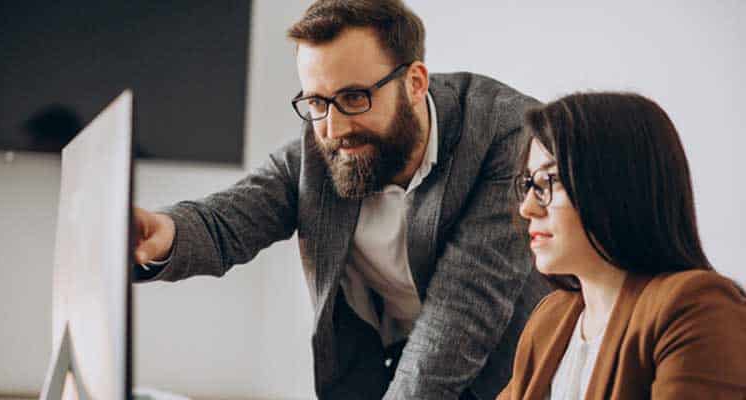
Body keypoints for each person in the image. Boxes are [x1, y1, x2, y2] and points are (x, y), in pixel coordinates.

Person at [133, 0, 549, 398]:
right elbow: (226, 222)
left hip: (506, 378)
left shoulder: (507, 133)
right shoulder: (321, 147)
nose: (333, 128)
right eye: (316, 102)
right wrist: (161, 232)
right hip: (378, 371)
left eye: (354, 98)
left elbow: (462, 314)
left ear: (415, 82)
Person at [497, 92, 746, 399]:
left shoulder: (696, 307)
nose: (527, 208)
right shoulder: (550, 319)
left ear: (616, 185)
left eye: (550, 180)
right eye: (528, 184)